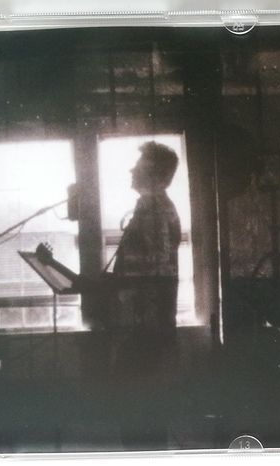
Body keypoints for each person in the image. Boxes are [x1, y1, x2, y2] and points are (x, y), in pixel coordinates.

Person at [108, 141, 182, 451]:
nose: (131, 169)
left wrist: (114, 285)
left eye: (139, 165)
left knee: (139, 415)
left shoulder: (153, 208)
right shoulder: (151, 206)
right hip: (146, 327)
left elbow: (157, 269)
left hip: (146, 329)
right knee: (142, 412)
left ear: (155, 174)